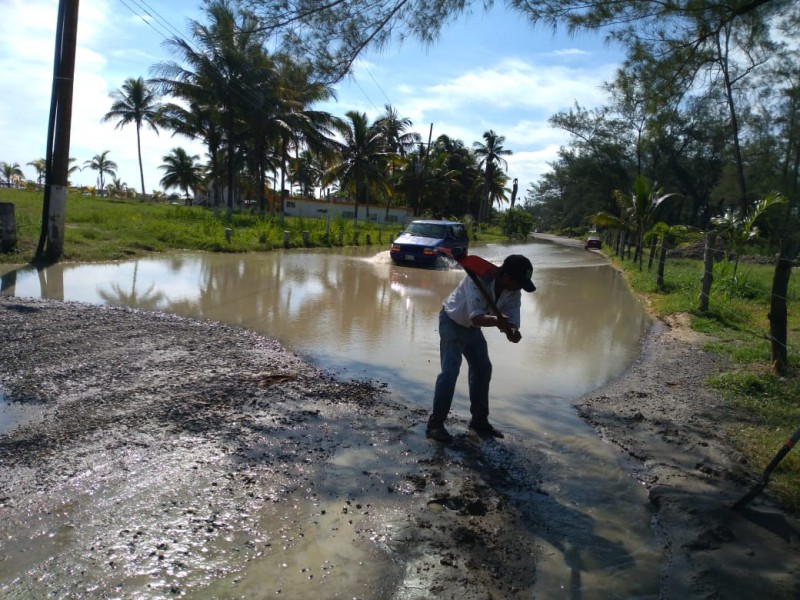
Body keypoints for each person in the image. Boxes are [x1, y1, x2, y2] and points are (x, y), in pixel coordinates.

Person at [426, 254, 536, 443]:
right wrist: (497, 321)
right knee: (450, 371)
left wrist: (513, 331)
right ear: (507, 277)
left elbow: (512, 319)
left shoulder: (513, 291)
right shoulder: (476, 279)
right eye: (519, 283)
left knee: (483, 369)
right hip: (452, 321)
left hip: (472, 329)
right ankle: (435, 425)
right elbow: (476, 317)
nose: (520, 289)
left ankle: (479, 421)